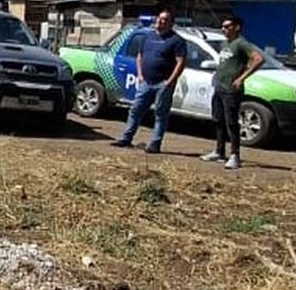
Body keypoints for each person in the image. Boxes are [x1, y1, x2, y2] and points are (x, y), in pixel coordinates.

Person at [111, 9, 187, 153]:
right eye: (159, 18)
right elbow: (140, 56)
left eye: (165, 19)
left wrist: (170, 81)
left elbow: (181, 62)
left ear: (171, 23)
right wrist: (140, 75)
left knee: (160, 114)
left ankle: (155, 144)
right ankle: (125, 138)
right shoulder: (148, 36)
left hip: (163, 83)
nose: (160, 21)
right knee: (135, 110)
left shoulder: (176, 40)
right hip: (146, 82)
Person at [202, 14, 265, 170]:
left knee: (231, 122)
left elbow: (258, 59)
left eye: (227, 26)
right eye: (222, 27)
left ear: (236, 27)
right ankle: (219, 151)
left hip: (231, 90)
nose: (224, 30)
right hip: (219, 86)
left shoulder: (241, 43)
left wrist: (241, 78)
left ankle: (235, 155)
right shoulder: (225, 44)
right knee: (218, 119)